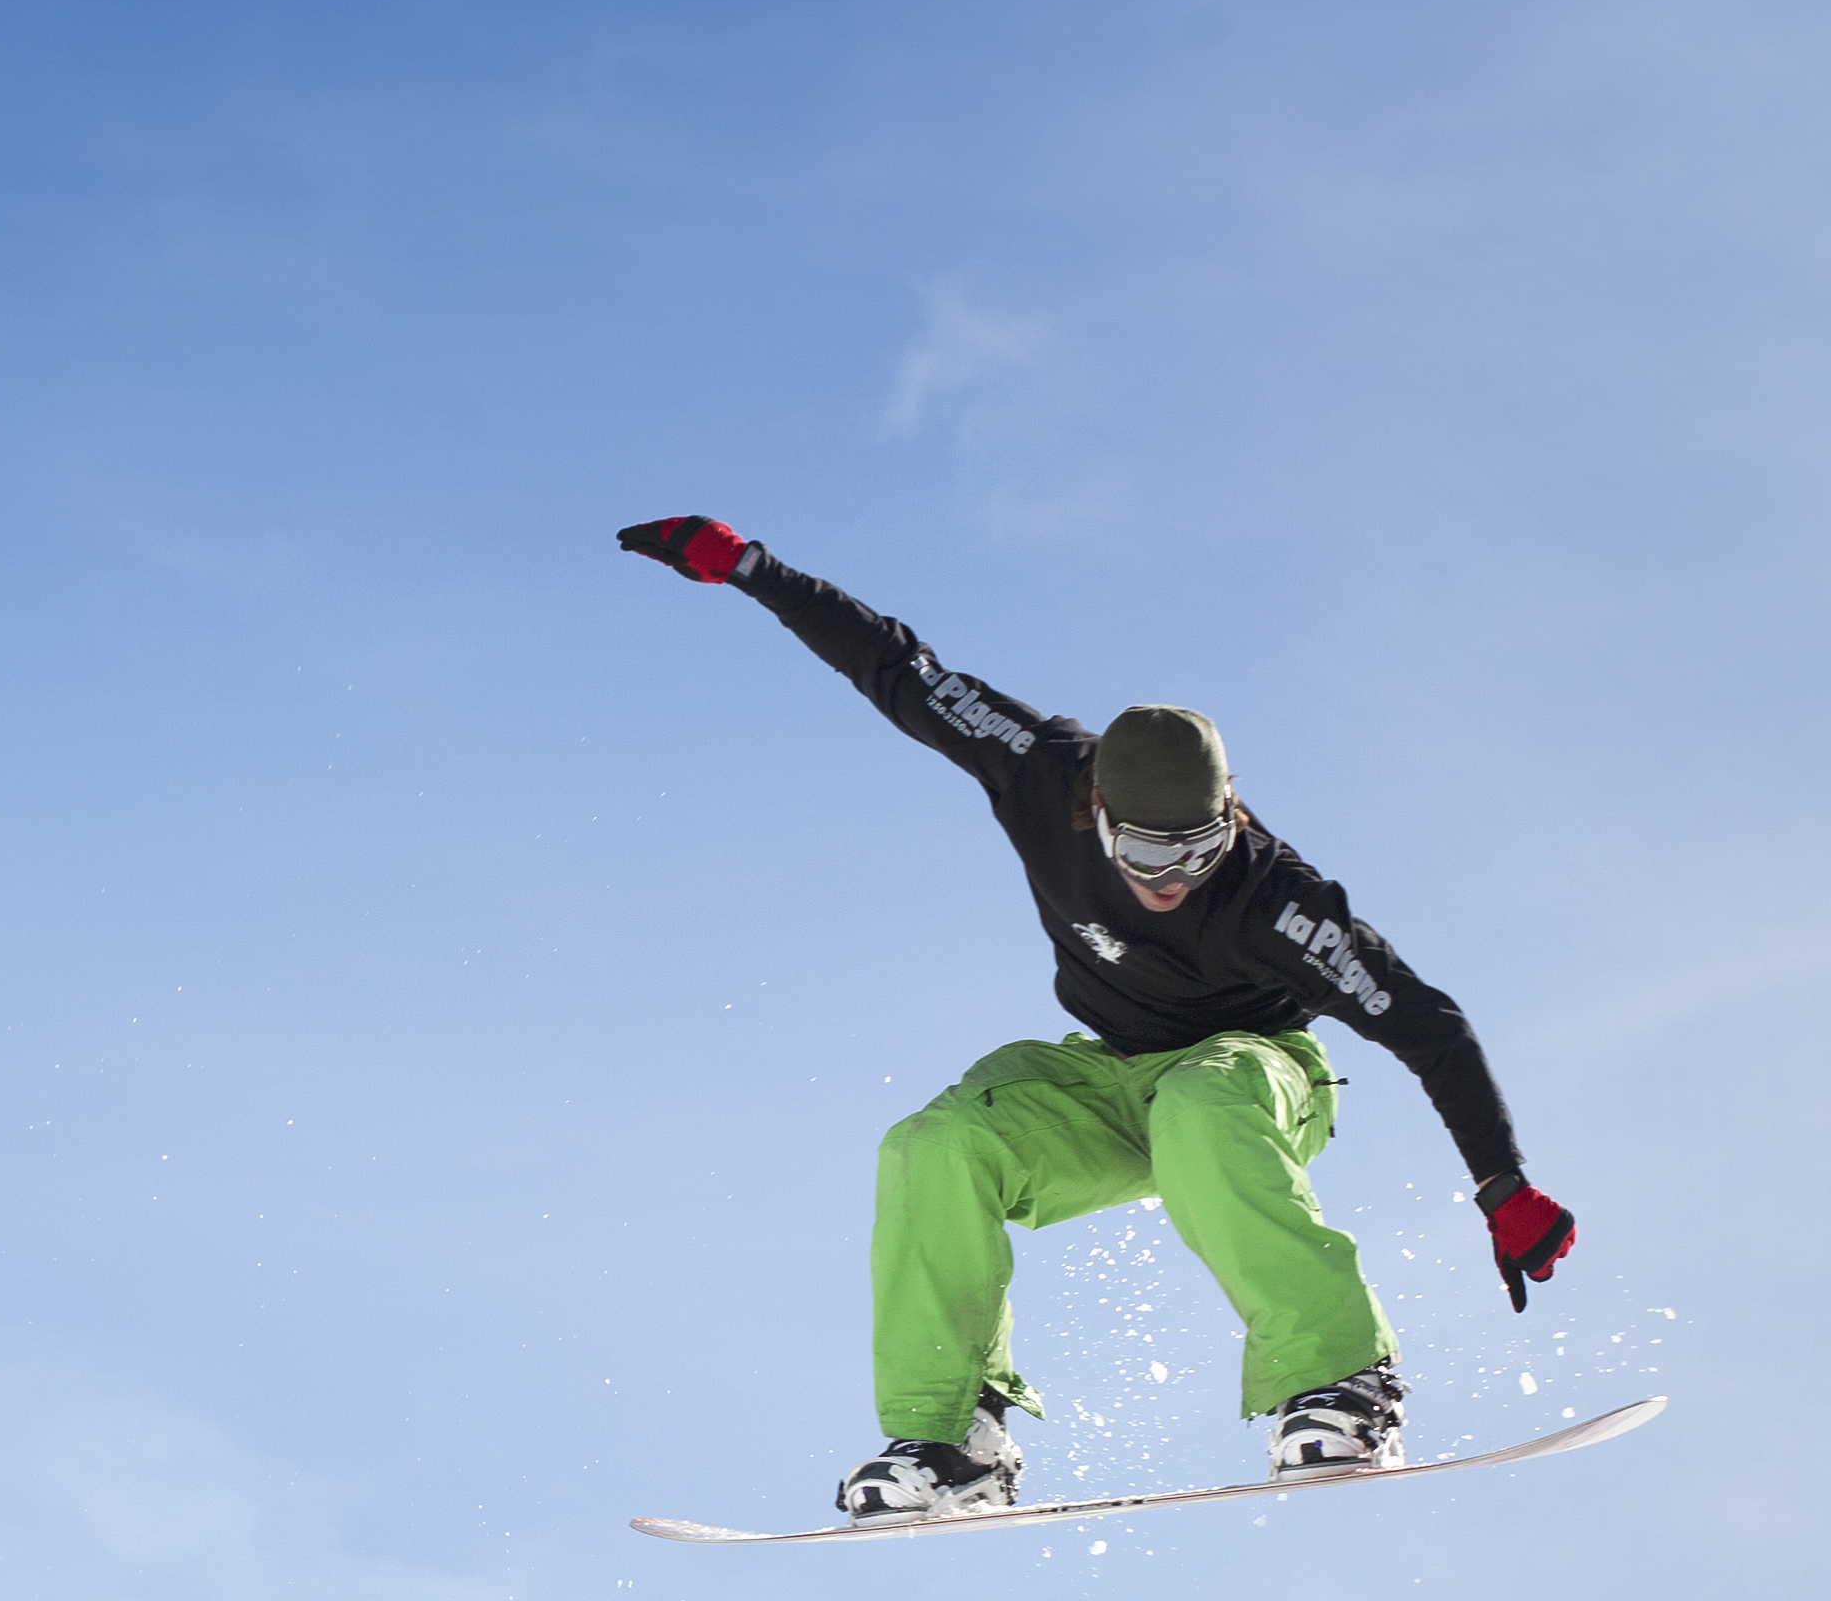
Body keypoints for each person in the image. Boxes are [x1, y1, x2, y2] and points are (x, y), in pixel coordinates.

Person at [615, 515, 1580, 1521]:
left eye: (1196, 852)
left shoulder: (1278, 902)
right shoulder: (1038, 767)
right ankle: (958, 1438)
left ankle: (1344, 1380)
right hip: (1105, 1079)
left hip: (1252, 1076)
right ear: (1096, 809)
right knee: (933, 1145)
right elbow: (896, 667)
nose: (1170, 881)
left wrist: (1501, 1182)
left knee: (1199, 1107)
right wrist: (757, 571)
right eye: (1144, 855)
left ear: (1231, 816)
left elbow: (1425, 1022)